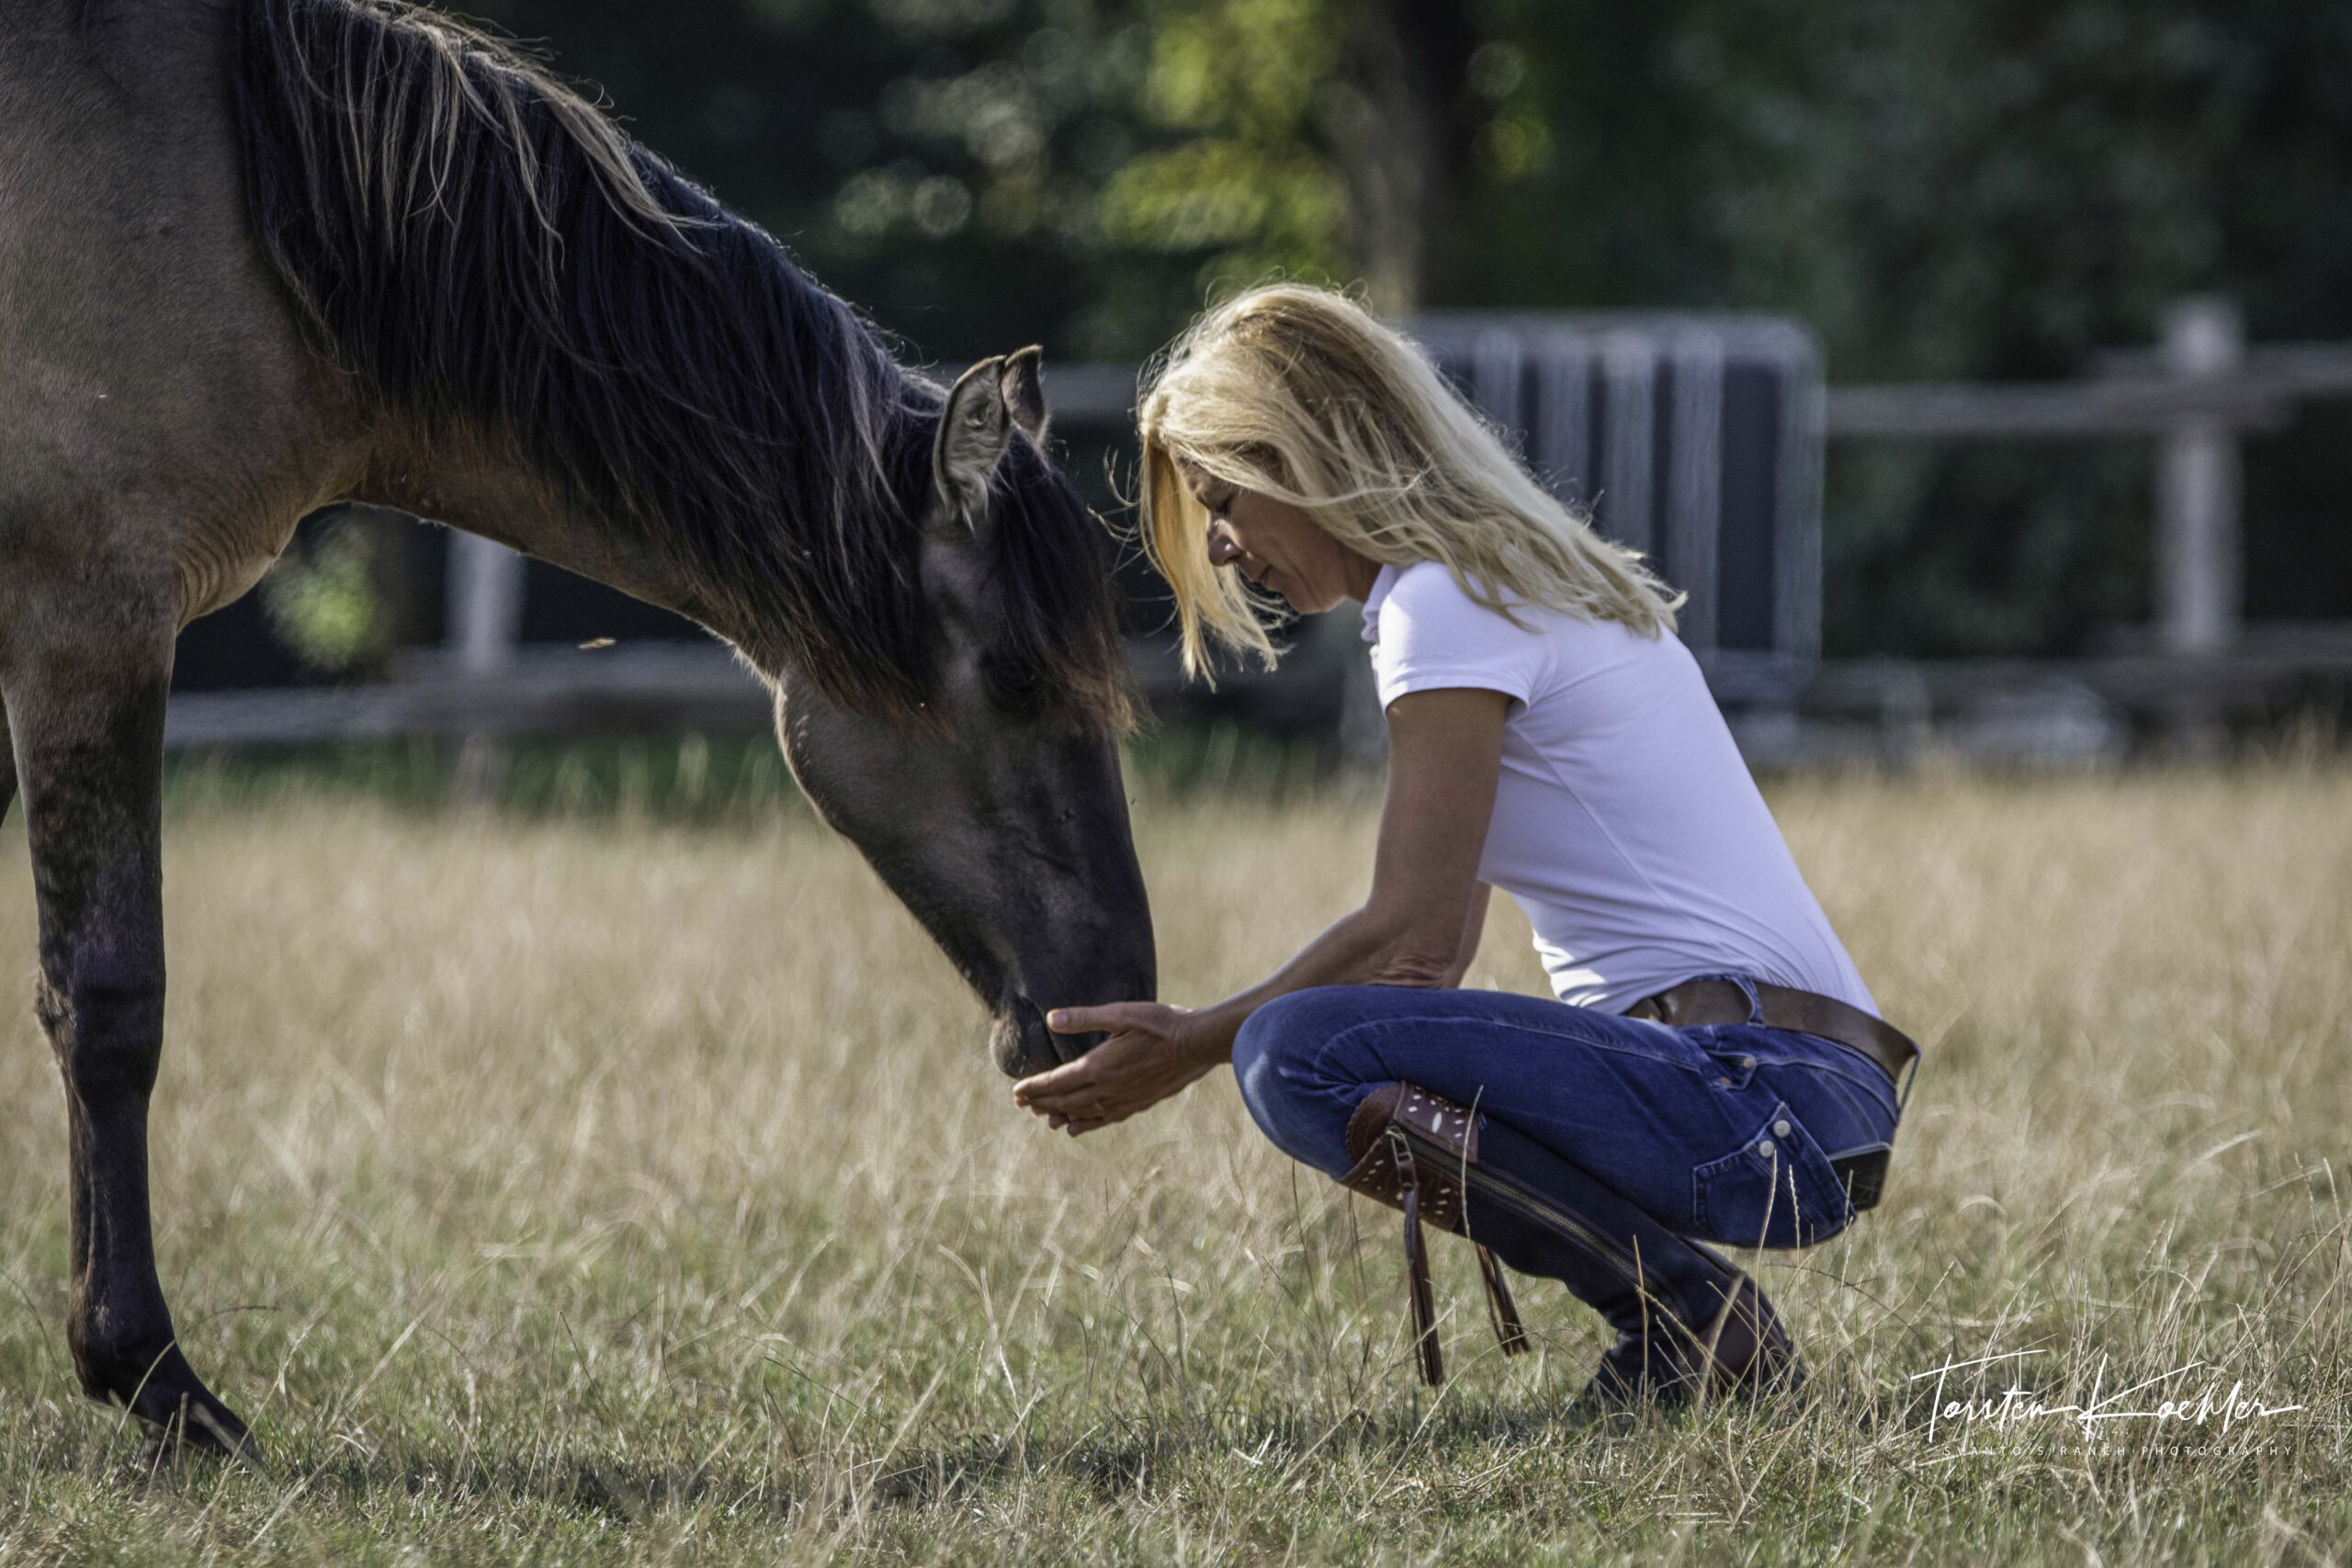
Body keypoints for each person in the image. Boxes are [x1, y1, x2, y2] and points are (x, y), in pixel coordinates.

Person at [1012, 283, 1917, 1406]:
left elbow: (1411, 927)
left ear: (1303, 458)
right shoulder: (1497, 583)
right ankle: (1685, 1328)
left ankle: (1691, 1323)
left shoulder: (1441, 606)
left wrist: (1191, 1042)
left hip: (1756, 1095)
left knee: (1289, 1053)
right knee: (1310, 1042)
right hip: (1804, 1101)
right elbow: (1424, 968)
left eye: (1223, 501)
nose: (1225, 548)